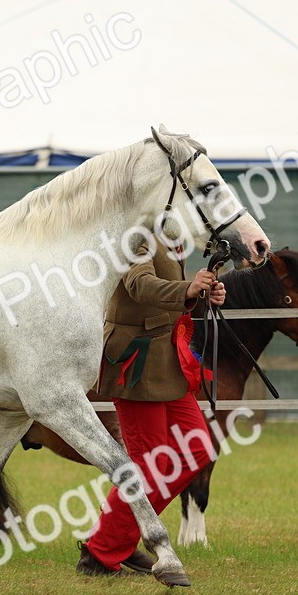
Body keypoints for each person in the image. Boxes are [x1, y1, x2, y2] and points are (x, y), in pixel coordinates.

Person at [77, 241, 225, 575]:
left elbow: (172, 298)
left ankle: (115, 539)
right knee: (150, 462)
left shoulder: (176, 237)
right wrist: (188, 287)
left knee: (197, 449)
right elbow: (139, 285)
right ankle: (102, 552)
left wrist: (201, 294)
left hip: (169, 359)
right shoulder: (137, 235)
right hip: (137, 358)